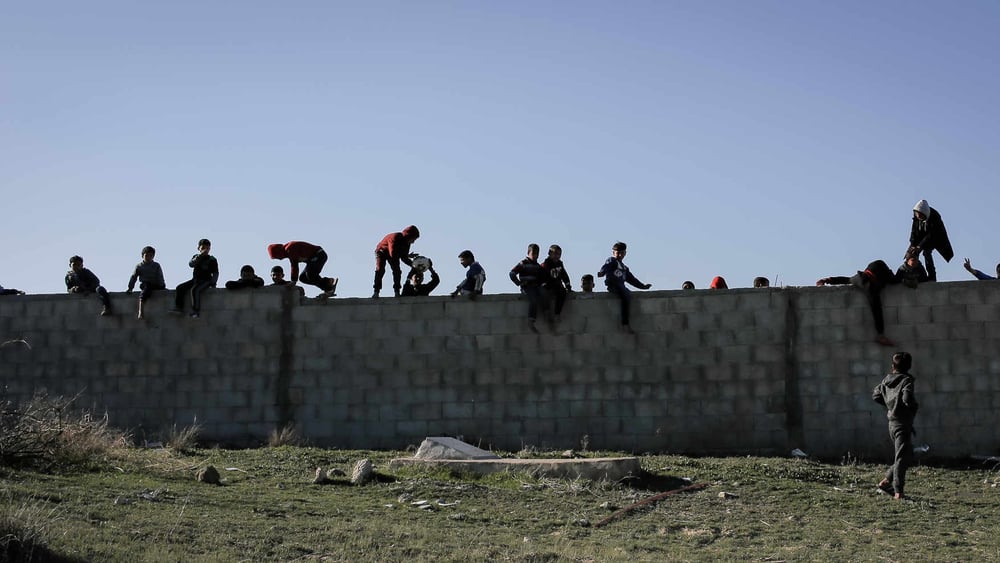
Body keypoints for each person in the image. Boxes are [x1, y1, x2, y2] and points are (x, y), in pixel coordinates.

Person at [817, 258, 917, 346]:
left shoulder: (858, 279)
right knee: (877, 308)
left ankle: (880, 335)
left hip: (869, 277)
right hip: (873, 280)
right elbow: (893, 281)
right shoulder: (876, 285)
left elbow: (845, 279)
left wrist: (827, 280)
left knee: (876, 307)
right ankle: (880, 335)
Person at [872, 351, 919, 500]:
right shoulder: (906, 381)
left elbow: (876, 396)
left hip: (892, 423)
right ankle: (898, 492)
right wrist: (913, 408)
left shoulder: (886, 380)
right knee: (901, 458)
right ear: (909, 366)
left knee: (906, 454)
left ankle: (886, 481)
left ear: (893, 366)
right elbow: (907, 398)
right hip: (902, 424)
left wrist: (890, 406)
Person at [598, 242, 651, 333]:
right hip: (613, 285)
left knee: (627, 294)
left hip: (621, 286)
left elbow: (632, 280)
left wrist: (643, 286)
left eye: (621, 253)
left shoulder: (624, 268)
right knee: (625, 294)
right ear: (613, 252)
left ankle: (626, 322)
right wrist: (602, 272)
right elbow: (606, 266)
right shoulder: (612, 261)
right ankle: (625, 324)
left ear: (625, 253)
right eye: (617, 253)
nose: (619, 255)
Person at [172, 238, 219, 318]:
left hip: (206, 280)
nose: (205, 250)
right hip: (195, 280)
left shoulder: (212, 259)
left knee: (195, 290)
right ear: (199, 248)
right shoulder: (196, 257)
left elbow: (215, 273)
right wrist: (200, 256)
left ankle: (196, 311)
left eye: (207, 248)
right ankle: (179, 308)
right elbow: (191, 264)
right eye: (203, 248)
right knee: (180, 288)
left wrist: (213, 283)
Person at [267, 241, 338, 294]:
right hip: (312, 259)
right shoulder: (288, 250)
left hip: (319, 255)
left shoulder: (290, 249)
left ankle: (329, 288)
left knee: (310, 274)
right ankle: (328, 283)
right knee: (303, 278)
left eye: (277, 257)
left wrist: (293, 281)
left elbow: (294, 266)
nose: (279, 259)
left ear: (279, 252)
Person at [908, 199, 953, 282]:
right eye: (919, 216)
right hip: (922, 235)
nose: (919, 218)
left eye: (921, 216)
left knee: (927, 253)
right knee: (911, 253)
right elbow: (914, 231)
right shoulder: (916, 215)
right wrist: (913, 244)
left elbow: (931, 235)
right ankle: (912, 274)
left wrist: (919, 246)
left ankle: (932, 276)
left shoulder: (935, 217)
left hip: (935, 237)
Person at [372, 225, 420, 298]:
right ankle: (376, 291)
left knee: (397, 271)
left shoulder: (407, 244)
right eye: (413, 239)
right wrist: (404, 256)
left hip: (393, 254)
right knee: (380, 270)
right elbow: (393, 254)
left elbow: (404, 258)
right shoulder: (395, 237)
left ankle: (397, 291)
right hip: (382, 251)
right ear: (408, 236)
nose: (413, 242)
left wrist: (414, 265)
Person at [510, 244, 548, 331]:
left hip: (536, 286)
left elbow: (543, 277)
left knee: (544, 294)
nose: (535, 256)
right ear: (528, 253)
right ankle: (531, 320)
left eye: (537, 253)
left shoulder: (538, 266)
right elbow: (512, 273)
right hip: (527, 287)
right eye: (533, 253)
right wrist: (518, 283)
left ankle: (546, 313)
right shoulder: (523, 263)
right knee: (533, 300)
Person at [126, 246, 166, 320]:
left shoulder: (156, 265)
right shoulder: (139, 266)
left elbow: (160, 276)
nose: (148, 257)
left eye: (151, 256)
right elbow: (134, 277)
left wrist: (162, 286)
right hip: (145, 284)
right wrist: (130, 288)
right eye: (146, 255)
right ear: (142, 256)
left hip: (155, 284)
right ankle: (141, 312)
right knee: (146, 288)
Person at [541, 244, 573, 323]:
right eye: (555, 254)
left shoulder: (559, 264)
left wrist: (568, 285)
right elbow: (542, 275)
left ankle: (557, 313)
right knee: (545, 295)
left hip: (557, 285)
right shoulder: (546, 264)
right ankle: (546, 312)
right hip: (547, 285)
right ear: (550, 253)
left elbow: (564, 275)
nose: (557, 256)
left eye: (559, 254)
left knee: (562, 293)